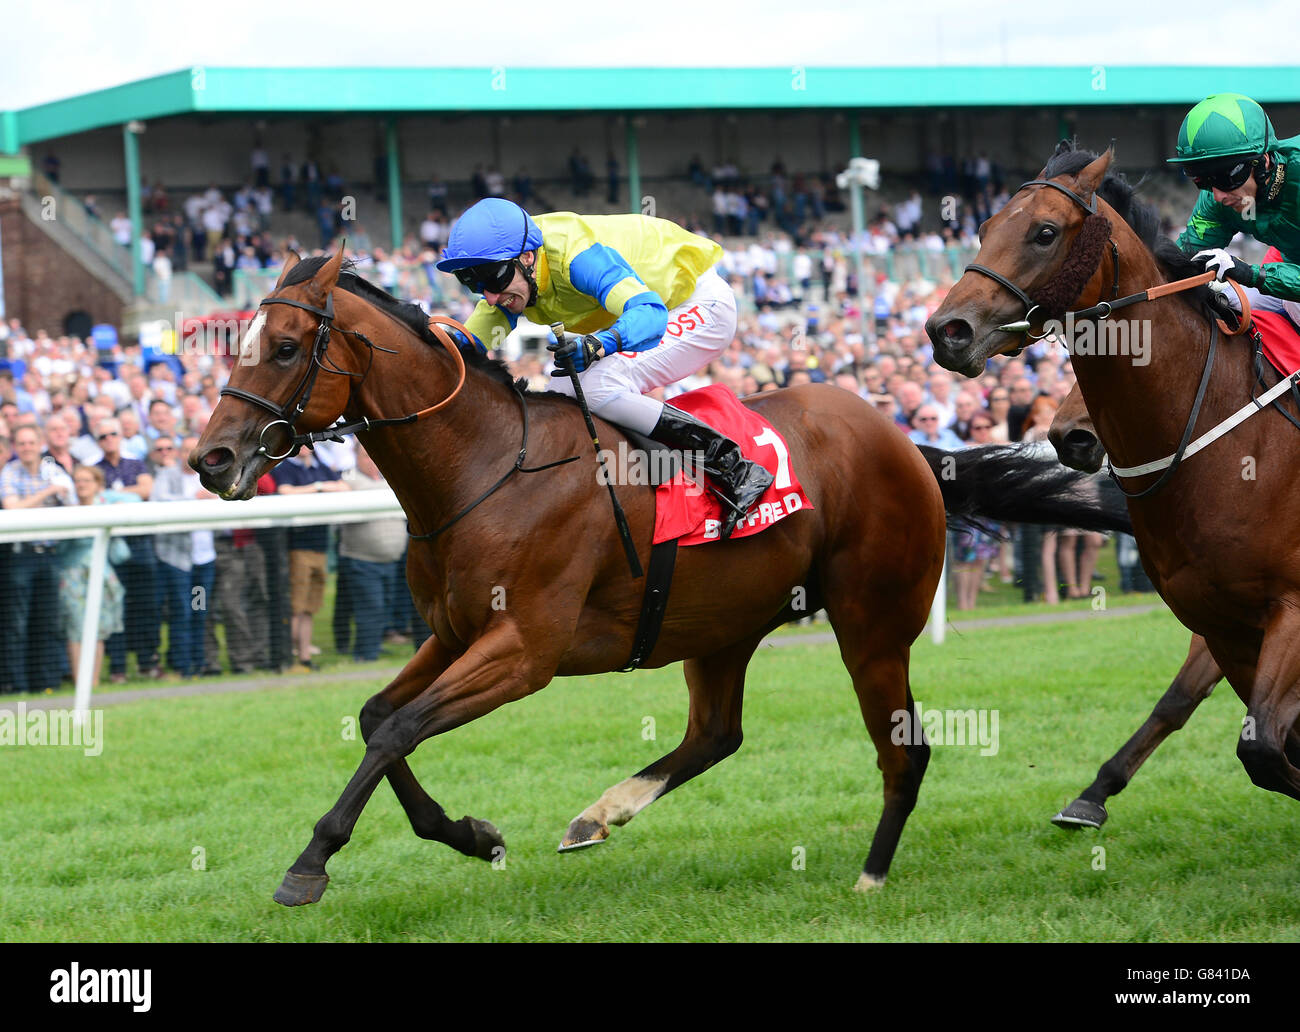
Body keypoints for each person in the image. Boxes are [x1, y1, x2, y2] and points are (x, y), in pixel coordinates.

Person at [436, 197, 773, 538]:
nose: (489, 296)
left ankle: (733, 465)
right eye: (474, 284)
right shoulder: (518, 268)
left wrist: (599, 345)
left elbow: (649, 314)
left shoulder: (576, 257)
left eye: (492, 281)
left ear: (527, 258)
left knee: (598, 384)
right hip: (656, 308)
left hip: (697, 304)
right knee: (558, 396)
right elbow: (473, 339)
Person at [1167, 94, 1300, 303]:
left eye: (1224, 178)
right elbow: (1180, 264)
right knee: (1226, 304)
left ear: (1263, 162)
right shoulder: (1216, 199)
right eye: (1203, 181)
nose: (1218, 196)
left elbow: (1254, 276)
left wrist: (1252, 274)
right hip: (1287, 259)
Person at [272, 448, 349, 672]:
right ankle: (291, 657)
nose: (306, 446)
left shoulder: (319, 466)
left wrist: (320, 487)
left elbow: (343, 486)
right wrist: (318, 487)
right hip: (297, 547)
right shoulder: (285, 468)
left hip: (320, 547)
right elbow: (285, 491)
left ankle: (305, 657)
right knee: (296, 606)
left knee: (309, 608)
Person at [57, 465, 127, 688]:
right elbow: (60, 549)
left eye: (86, 480)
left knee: (98, 629)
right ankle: (81, 685)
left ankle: (94, 683)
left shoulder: (106, 507)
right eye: (78, 481)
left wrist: (112, 505)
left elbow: (135, 498)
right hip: (72, 576)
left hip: (102, 574)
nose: (81, 485)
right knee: (76, 629)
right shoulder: (68, 511)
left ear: (97, 484)